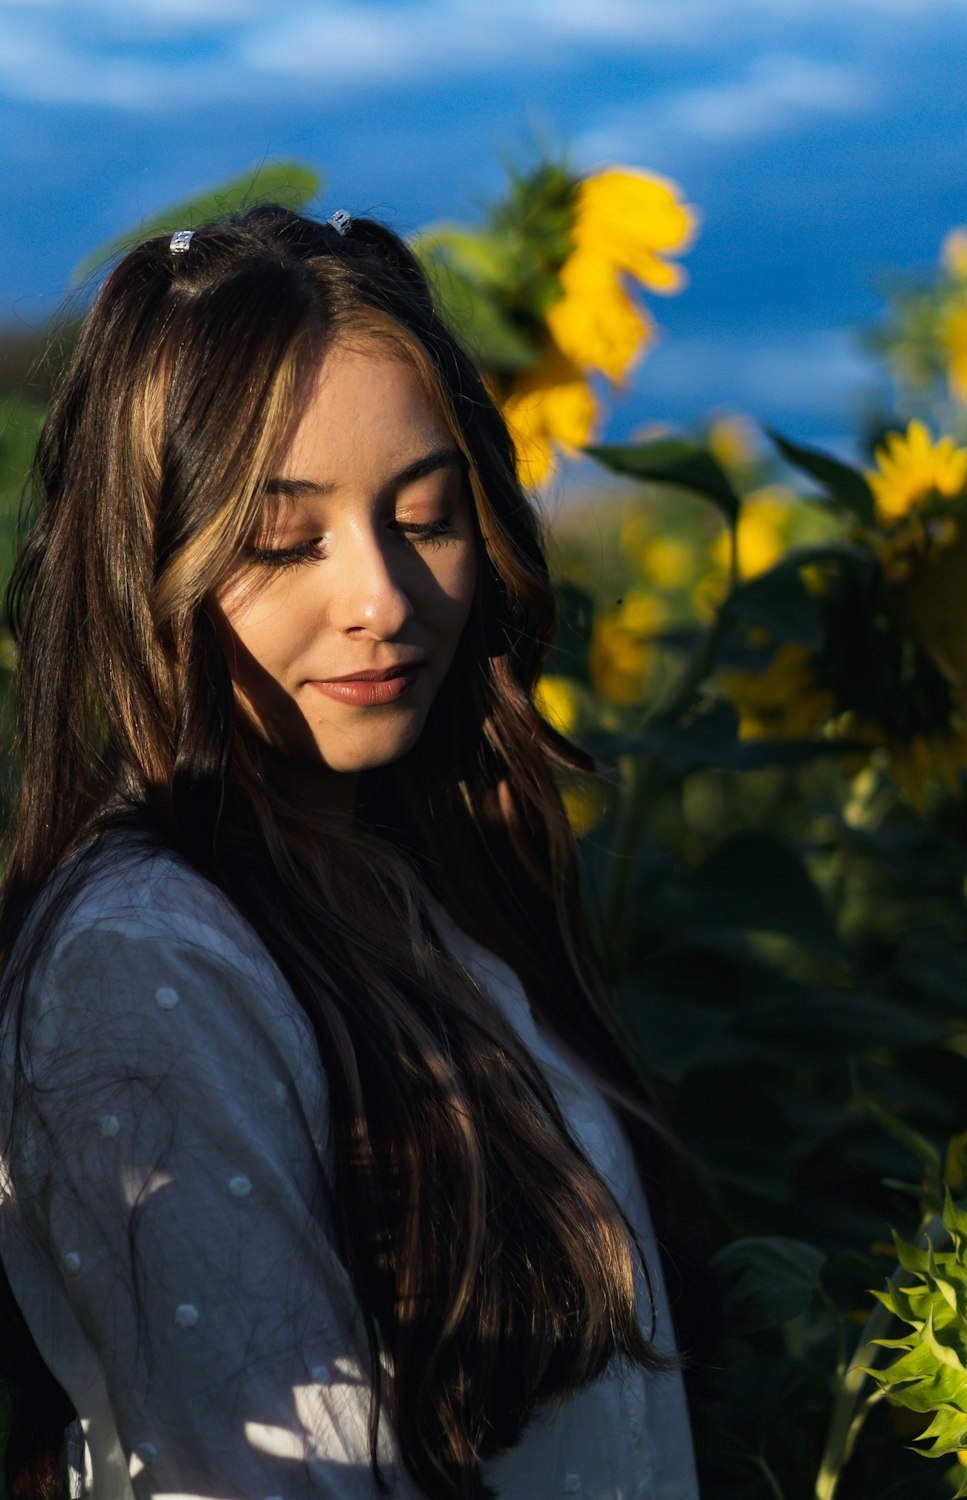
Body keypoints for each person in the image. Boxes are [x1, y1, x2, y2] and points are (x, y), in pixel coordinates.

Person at [0, 206, 705, 1500]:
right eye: (284, 542)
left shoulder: (431, 877)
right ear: (142, 561)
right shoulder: (148, 959)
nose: (383, 598)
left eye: (427, 518)